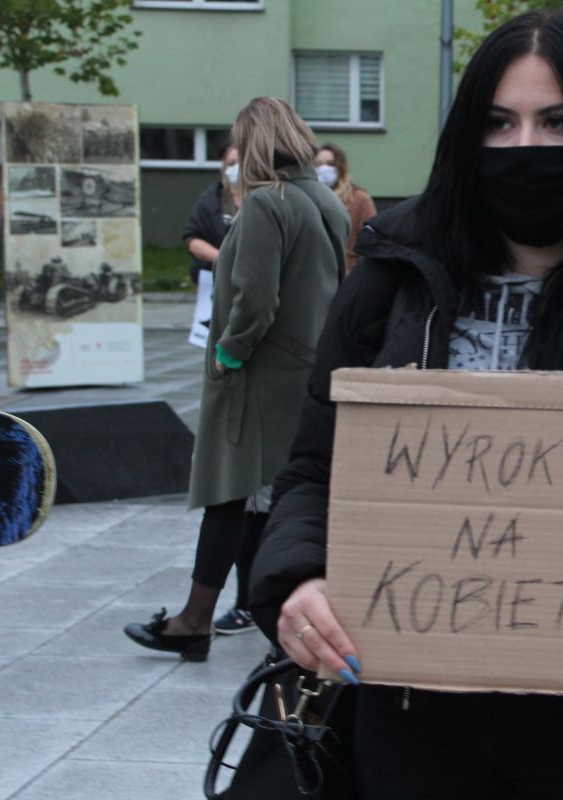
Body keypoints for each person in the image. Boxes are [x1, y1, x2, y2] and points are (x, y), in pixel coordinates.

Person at [248, 10, 563, 798]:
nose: (526, 146)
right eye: (499, 123)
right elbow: (314, 472)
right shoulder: (390, 283)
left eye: (557, 122)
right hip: (407, 716)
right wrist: (297, 582)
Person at [124, 97, 349, 660]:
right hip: (304, 372)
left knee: (230, 495)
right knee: (264, 500)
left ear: (254, 144)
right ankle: (246, 616)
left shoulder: (267, 204)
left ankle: (198, 622)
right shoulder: (325, 199)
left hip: (259, 377)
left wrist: (228, 353)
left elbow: (256, 299)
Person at [183, 145, 241, 288]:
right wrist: (223, 258)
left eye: (242, 163)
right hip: (215, 279)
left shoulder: (261, 199)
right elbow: (192, 238)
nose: (237, 168)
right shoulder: (211, 200)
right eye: (231, 163)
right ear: (223, 167)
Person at [314, 142, 377, 273]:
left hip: (347, 273)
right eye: (318, 164)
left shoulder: (360, 199)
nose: (323, 169)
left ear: (340, 167)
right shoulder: (308, 198)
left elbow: (372, 243)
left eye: (330, 164)